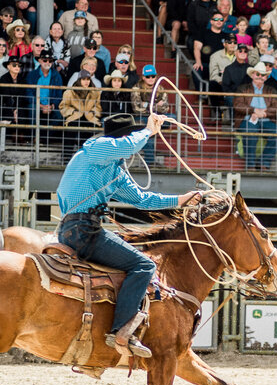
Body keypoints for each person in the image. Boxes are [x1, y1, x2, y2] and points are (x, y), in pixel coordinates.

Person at [55, 114, 202, 360]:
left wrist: (182, 199)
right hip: (84, 230)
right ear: (123, 137)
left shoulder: (115, 171)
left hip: (78, 229)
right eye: (129, 137)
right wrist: (147, 131)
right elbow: (128, 145)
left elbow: (144, 199)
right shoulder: (96, 149)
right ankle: (121, 329)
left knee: (133, 261)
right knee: (144, 265)